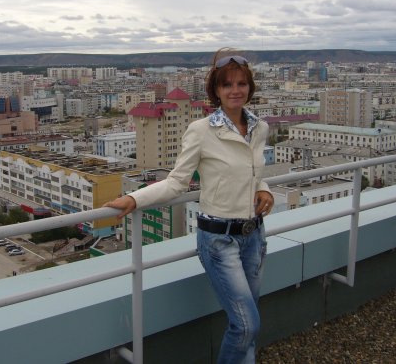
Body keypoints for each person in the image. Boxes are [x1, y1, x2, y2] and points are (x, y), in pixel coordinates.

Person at [105, 48, 274, 363]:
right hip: (219, 240)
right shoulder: (201, 131)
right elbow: (176, 183)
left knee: (249, 323)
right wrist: (135, 198)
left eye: (241, 83)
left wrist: (264, 189)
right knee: (246, 325)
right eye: (227, 84)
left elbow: (252, 171)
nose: (235, 90)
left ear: (250, 87)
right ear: (216, 90)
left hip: (254, 236)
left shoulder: (259, 128)